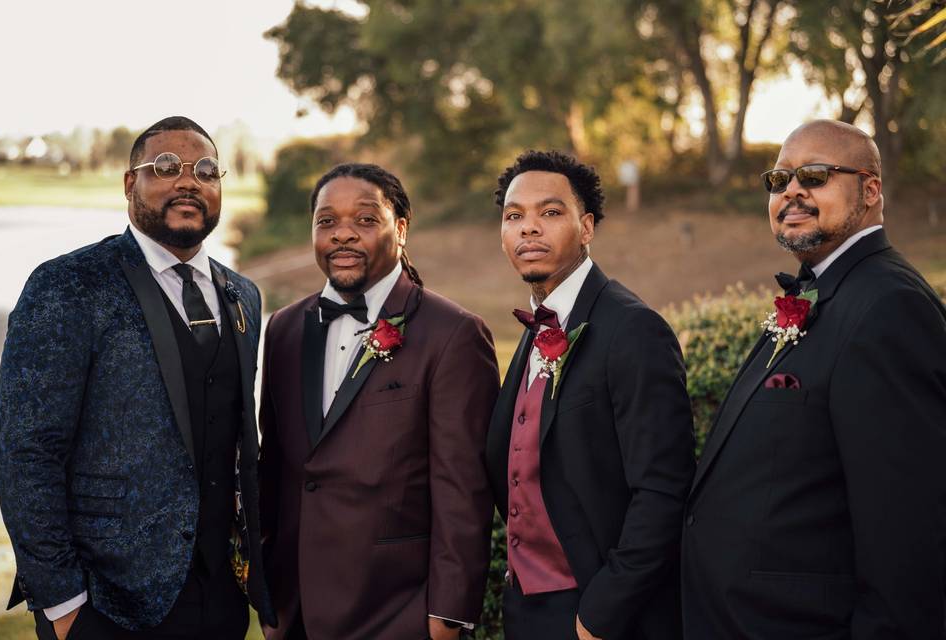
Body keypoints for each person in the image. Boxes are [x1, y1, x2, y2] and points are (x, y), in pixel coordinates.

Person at [0, 116, 275, 640]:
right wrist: (63, 603)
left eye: (207, 170)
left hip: (221, 600)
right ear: (130, 184)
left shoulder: (244, 296)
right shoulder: (67, 284)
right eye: (166, 166)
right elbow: (24, 451)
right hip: (106, 604)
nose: (189, 181)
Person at [682, 120, 946, 638]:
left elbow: (908, 533)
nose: (793, 191)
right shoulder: (821, 294)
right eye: (779, 180)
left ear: (870, 191)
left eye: (816, 175)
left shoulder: (890, 307)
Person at [257, 163, 498, 640]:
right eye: (327, 222)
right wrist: (271, 600)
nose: (342, 235)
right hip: (296, 610)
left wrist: (448, 615)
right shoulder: (283, 328)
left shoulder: (453, 335)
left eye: (365, 220)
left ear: (400, 230)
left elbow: (464, 490)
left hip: (399, 611)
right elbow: (277, 471)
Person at [485, 150, 695, 640]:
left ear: (586, 227)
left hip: (604, 617)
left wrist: (601, 614)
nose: (528, 228)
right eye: (514, 216)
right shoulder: (534, 328)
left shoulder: (634, 329)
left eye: (550, 213)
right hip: (526, 613)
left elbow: (664, 488)